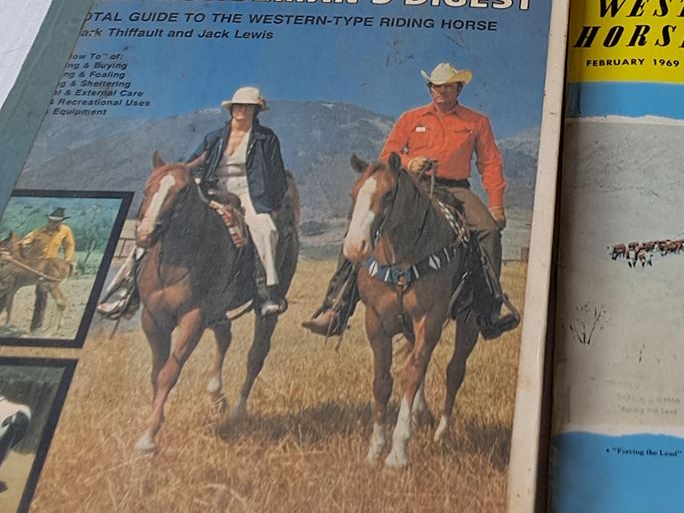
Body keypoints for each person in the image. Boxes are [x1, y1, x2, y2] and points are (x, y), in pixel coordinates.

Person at [303, 62, 519, 340]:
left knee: (488, 231)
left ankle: (490, 310)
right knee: (360, 225)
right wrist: (409, 161)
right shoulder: (410, 118)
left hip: (456, 189)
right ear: (430, 88)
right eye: (436, 86)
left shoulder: (477, 122)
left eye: (447, 86)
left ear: (458, 88)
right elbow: (387, 156)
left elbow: (490, 163)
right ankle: (336, 308)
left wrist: (496, 203)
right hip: (413, 187)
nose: (441, 91)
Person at [189, 87, 290, 316]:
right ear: (231, 108)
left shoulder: (266, 139)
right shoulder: (214, 138)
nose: (241, 109)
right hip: (213, 190)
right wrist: (197, 177)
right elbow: (194, 163)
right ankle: (130, 286)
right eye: (238, 105)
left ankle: (268, 293)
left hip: (249, 193)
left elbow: (277, 175)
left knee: (266, 230)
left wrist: (272, 205)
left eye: (247, 106)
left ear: (256, 110)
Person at [0, 206, 74, 334]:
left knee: (42, 294)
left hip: (47, 268)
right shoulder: (38, 231)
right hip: (30, 265)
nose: (52, 223)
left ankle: (36, 329)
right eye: (50, 220)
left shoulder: (65, 231)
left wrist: (68, 260)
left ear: (61, 222)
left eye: (55, 221)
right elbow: (24, 241)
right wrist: (18, 246)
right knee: (6, 291)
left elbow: (69, 245)